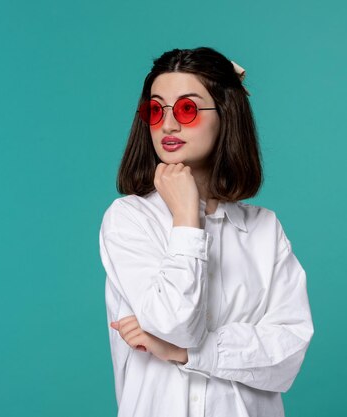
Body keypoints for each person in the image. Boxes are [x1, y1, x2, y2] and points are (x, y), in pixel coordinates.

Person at [98, 47, 314, 417]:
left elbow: (288, 352)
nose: (167, 125)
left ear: (225, 115)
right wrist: (185, 215)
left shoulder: (265, 229)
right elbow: (173, 322)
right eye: (155, 110)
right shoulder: (129, 219)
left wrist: (188, 353)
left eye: (186, 109)